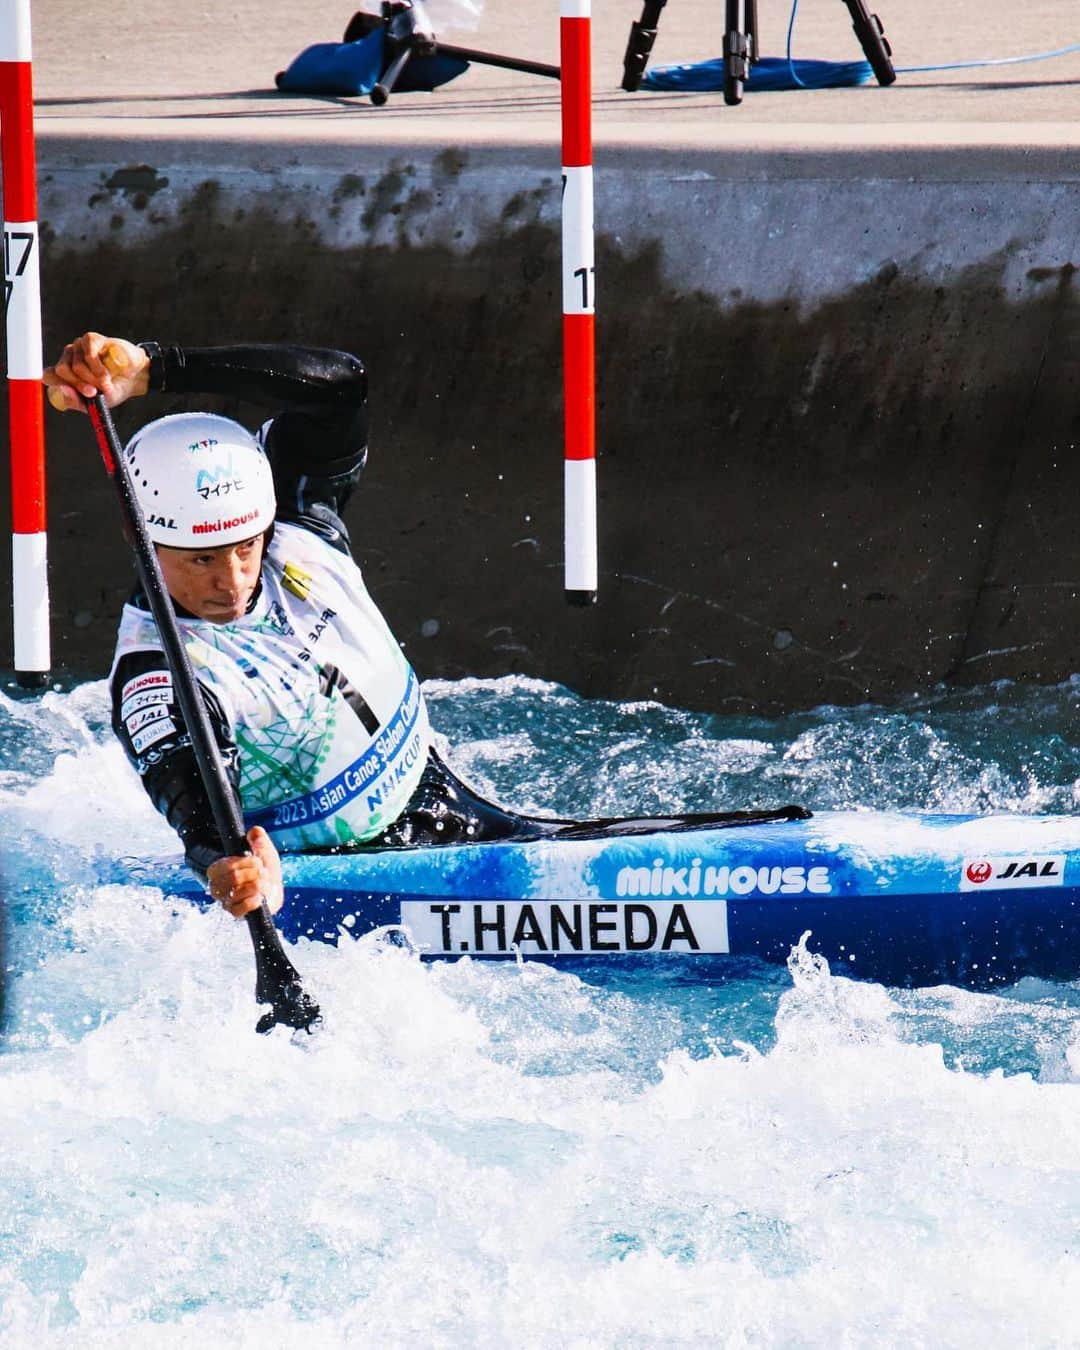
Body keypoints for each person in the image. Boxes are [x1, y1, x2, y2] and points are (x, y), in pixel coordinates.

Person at [44, 333, 545, 922]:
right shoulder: (157, 677)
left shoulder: (297, 521)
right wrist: (222, 862)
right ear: (141, 540)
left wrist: (155, 369)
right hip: (358, 886)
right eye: (200, 560)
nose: (230, 582)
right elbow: (197, 809)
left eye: (244, 549)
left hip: (445, 804)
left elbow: (341, 386)